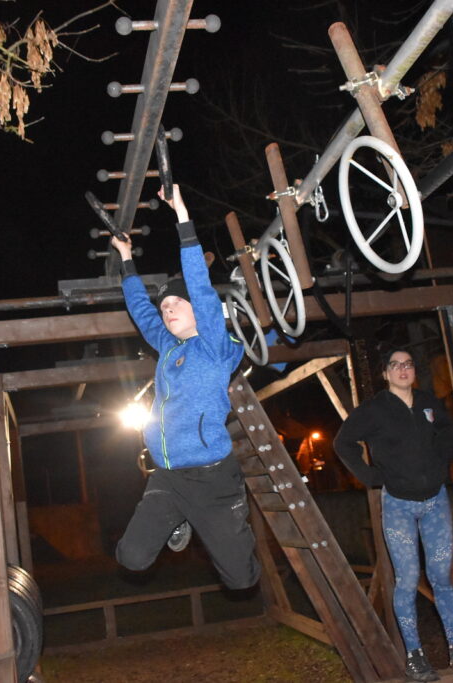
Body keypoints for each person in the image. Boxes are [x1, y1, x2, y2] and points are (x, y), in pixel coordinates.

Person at [108, 184, 260, 591]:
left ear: (197, 311)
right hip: (168, 476)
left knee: (241, 580)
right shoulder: (167, 345)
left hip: (213, 480)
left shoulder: (214, 346)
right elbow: (141, 311)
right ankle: (179, 520)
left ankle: (229, 523)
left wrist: (182, 217)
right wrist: (126, 258)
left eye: (176, 303)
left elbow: (201, 287)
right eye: (165, 307)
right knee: (131, 558)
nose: (167, 309)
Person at [333, 348, 453, 681]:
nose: (403, 370)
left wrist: (441, 465)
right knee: (408, 579)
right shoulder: (373, 410)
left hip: (435, 502)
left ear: (414, 371)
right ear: (385, 373)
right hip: (398, 504)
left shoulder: (428, 403)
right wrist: (370, 477)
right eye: (395, 365)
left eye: (408, 364)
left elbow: (447, 433)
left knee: (441, 577)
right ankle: (414, 655)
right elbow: (343, 443)